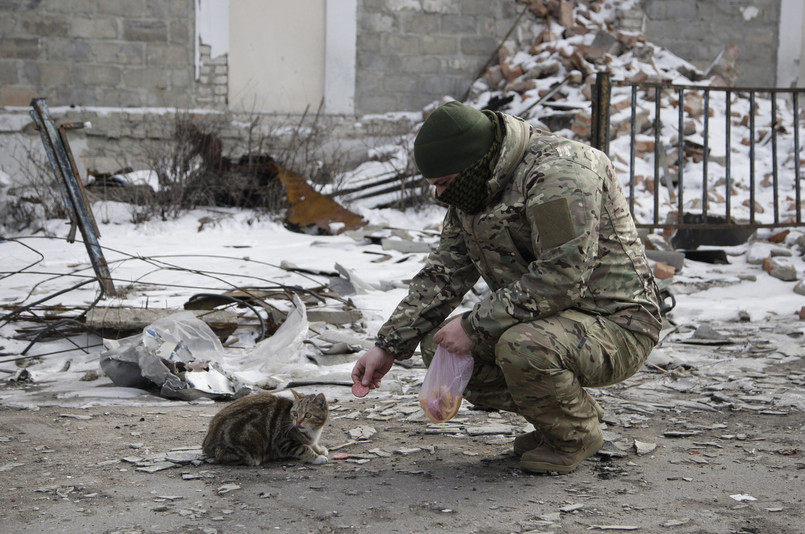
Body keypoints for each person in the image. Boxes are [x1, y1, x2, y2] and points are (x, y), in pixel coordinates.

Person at [351, 100, 662, 474]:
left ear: (474, 163)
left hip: (617, 323)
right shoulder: (474, 186)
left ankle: (575, 435)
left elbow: (562, 276)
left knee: (522, 347)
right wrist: (387, 346)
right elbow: (444, 274)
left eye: (444, 184)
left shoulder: (561, 174)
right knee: (441, 347)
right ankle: (562, 415)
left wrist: (474, 325)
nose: (440, 196)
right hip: (550, 318)